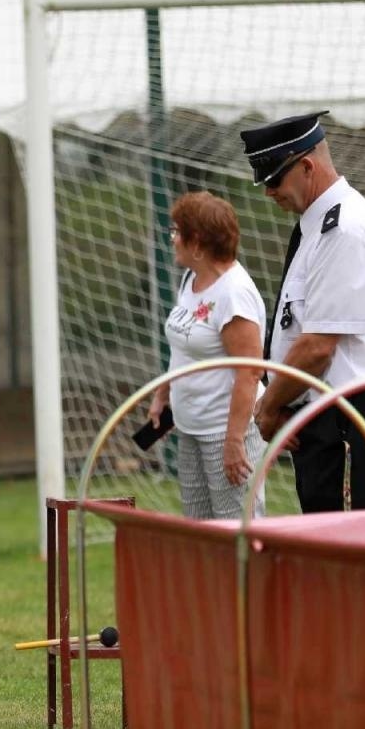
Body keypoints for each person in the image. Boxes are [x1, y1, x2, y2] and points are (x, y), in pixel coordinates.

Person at [242, 111, 365, 512]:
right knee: (328, 555)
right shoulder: (315, 227)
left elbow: (318, 347)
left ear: (306, 166)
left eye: (274, 179)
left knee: (356, 557)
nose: (269, 192)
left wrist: (268, 408)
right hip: (326, 417)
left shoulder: (346, 230)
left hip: (354, 416)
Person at [146, 192, 268, 520]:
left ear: (197, 241)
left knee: (236, 533)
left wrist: (234, 441)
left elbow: (249, 373)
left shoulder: (234, 294)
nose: (172, 240)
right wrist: (163, 395)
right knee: (202, 533)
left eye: (177, 232)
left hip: (223, 432)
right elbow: (183, 348)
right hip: (190, 427)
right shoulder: (191, 278)